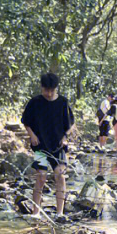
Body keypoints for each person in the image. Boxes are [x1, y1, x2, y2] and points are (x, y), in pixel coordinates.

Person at [21, 71, 75, 221]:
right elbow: (26, 121)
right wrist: (32, 135)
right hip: (40, 146)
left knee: (59, 175)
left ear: (56, 88)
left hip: (58, 147)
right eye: (46, 90)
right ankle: (36, 212)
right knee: (41, 177)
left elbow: (70, 124)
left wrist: (65, 137)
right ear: (41, 87)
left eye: (52, 90)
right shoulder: (35, 102)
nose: (49, 93)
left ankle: (60, 213)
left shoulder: (63, 102)